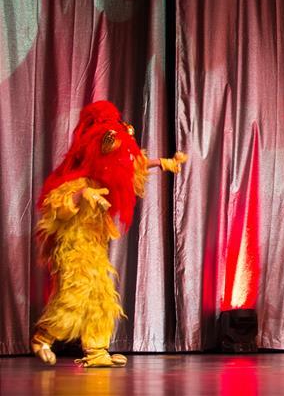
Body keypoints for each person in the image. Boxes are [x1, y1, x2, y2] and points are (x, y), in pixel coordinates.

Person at [31, 100, 187, 367]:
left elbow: (130, 164)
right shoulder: (77, 176)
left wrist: (162, 163)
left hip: (95, 246)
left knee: (102, 296)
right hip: (73, 247)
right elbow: (56, 204)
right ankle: (42, 338)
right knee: (76, 293)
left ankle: (96, 351)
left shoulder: (107, 172)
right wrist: (83, 195)